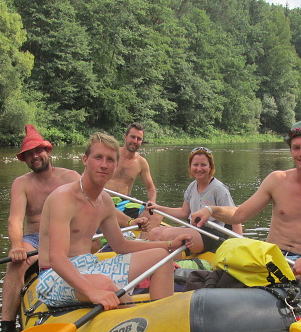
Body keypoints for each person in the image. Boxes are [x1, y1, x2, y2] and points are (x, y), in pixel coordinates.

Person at [0, 125, 148, 332]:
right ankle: (6, 325)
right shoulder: (21, 183)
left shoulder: (69, 176)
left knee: (92, 244)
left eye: (38, 151)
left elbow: (100, 202)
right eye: (29, 154)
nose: (35, 156)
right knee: (16, 263)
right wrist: (15, 245)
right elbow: (15, 220)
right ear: (25, 159)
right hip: (35, 239)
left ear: (47, 151)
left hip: (68, 236)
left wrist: (131, 221)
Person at [36, 132, 191, 310]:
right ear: (85, 160)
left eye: (110, 160)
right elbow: (57, 259)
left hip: (89, 265)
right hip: (53, 277)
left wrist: (169, 244)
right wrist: (91, 291)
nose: (104, 165)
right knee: (105, 284)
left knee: (162, 258)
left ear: (116, 165)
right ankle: (136, 318)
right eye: (98, 157)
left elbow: (122, 246)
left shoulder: (104, 201)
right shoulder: (63, 198)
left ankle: (160, 313)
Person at [189, 119, 301, 284]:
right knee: (232, 250)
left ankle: (294, 286)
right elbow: (239, 214)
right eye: (296, 148)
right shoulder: (277, 180)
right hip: (272, 258)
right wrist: (211, 210)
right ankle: (286, 285)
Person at [145, 147, 243, 254]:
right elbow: (184, 212)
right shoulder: (191, 187)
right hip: (195, 230)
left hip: (213, 235)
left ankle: (172, 259)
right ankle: (161, 258)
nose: (199, 169)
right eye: (195, 165)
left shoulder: (218, 189)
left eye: (203, 165)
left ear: (210, 167)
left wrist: (240, 245)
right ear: (190, 166)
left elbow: (235, 216)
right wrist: (158, 208)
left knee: (168, 235)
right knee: (154, 233)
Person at [104, 123, 160, 225]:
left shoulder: (141, 162)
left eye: (139, 139)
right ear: (125, 137)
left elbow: (151, 188)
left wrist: (152, 202)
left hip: (122, 203)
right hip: (102, 199)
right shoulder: (110, 155)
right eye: (132, 137)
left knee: (156, 214)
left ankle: (141, 235)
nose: (135, 141)